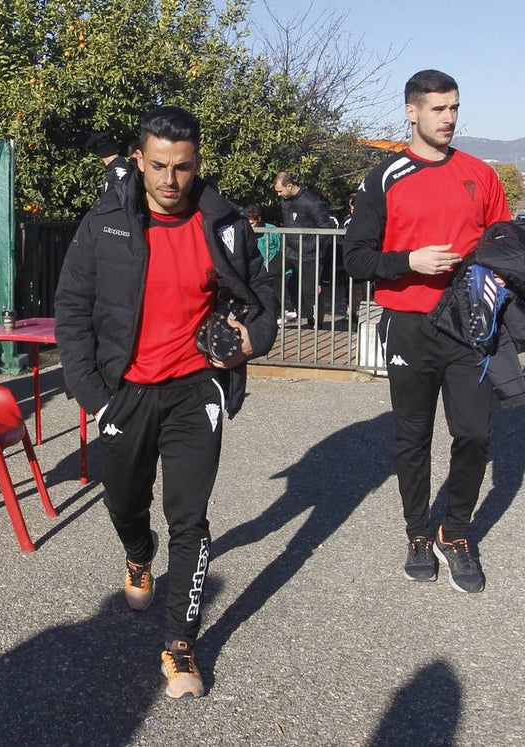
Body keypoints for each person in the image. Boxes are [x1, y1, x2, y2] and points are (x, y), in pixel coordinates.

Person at [54, 106, 278, 698]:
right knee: (125, 502)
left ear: (198, 162)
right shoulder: (105, 221)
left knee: (190, 518)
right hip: (123, 393)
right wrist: (94, 398)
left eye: (182, 167)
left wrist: (253, 339)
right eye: (158, 166)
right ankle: (136, 552)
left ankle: (180, 645)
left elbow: (263, 297)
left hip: (194, 392)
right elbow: (71, 310)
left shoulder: (224, 225)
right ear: (138, 161)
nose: (171, 180)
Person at [343, 69, 510, 593]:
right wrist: (410, 260)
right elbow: (356, 258)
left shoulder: (481, 174)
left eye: (454, 108)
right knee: (412, 437)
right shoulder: (383, 178)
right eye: (438, 109)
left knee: (475, 434)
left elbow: (504, 245)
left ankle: (454, 532)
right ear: (412, 112)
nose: (449, 119)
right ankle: (418, 532)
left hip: (469, 325)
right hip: (409, 324)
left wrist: (503, 273)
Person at [273, 171, 338, 328]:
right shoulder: (285, 200)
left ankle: (314, 325)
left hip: (309, 255)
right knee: (269, 273)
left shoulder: (312, 202)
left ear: (290, 186)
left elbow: (326, 228)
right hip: (289, 250)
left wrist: (310, 246)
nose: (279, 195)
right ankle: (280, 311)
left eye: (280, 191)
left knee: (309, 293)